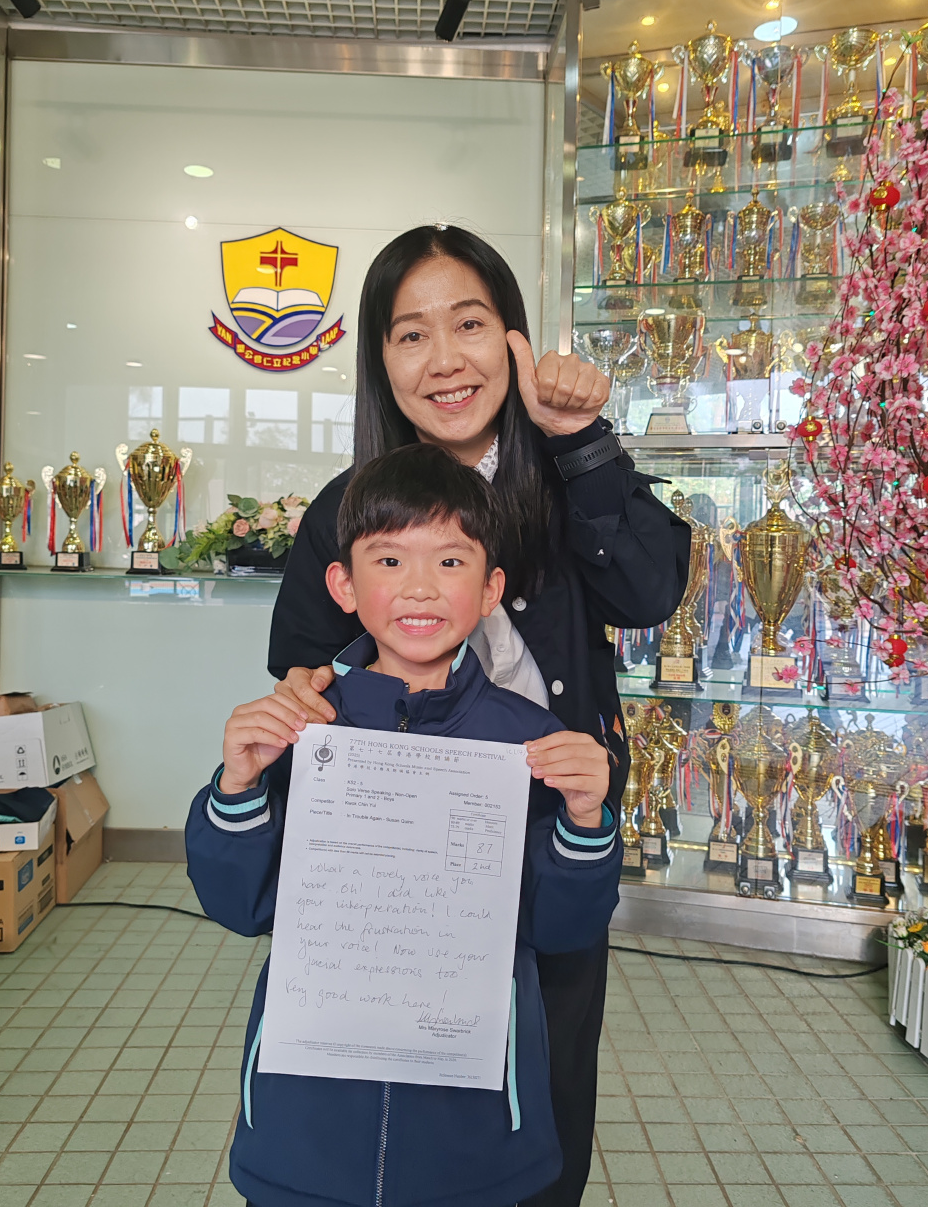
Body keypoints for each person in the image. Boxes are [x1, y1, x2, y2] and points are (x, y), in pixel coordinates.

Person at [268, 225, 690, 1206]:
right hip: (398, 865)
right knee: (397, 1097)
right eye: (411, 334)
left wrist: (579, 439)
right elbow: (300, 672)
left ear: (512, 336)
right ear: (381, 360)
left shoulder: (565, 474)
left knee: (546, 1085)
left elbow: (651, 589)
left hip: (551, 839)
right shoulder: (347, 506)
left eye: (469, 324)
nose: (445, 359)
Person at [187, 444, 623, 1207]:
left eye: (450, 562)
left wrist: (586, 823)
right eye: (389, 561)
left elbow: (560, 928)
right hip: (308, 1134)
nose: (420, 586)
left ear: (491, 588)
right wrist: (238, 786)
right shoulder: (301, 728)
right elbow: (239, 906)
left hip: (473, 1142)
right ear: (342, 584)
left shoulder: (529, 742)